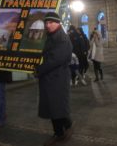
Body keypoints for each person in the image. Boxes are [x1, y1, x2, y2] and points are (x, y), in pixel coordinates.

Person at [35, 12, 73, 146]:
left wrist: (39, 69)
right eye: (46, 23)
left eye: (51, 22)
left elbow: (55, 59)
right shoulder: (52, 36)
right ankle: (66, 126)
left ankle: (60, 133)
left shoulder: (61, 38)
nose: (48, 25)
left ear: (58, 23)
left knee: (55, 107)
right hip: (51, 78)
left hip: (57, 78)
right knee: (56, 107)